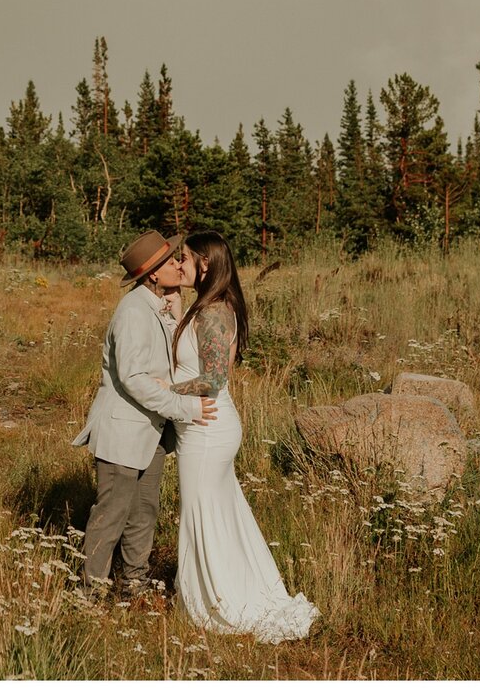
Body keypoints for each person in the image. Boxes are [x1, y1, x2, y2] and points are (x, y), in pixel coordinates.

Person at [164, 231, 318, 642]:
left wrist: (161, 390)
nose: (179, 264)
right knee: (219, 514)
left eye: (184, 258)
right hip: (206, 427)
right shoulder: (208, 305)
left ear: (205, 264)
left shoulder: (214, 312)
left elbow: (214, 378)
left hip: (208, 429)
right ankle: (218, 589)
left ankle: (216, 602)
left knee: (202, 515)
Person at [73, 230, 214, 592]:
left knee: (144, 510)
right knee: (112, 513)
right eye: (172, 261)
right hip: (123, 431)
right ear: (153, 273)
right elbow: (134, 379)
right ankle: (92, 590)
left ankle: (134, 579)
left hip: (150, 432)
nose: (179, 265)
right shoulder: (133, 312)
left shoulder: (157, 306)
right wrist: (185, 408)